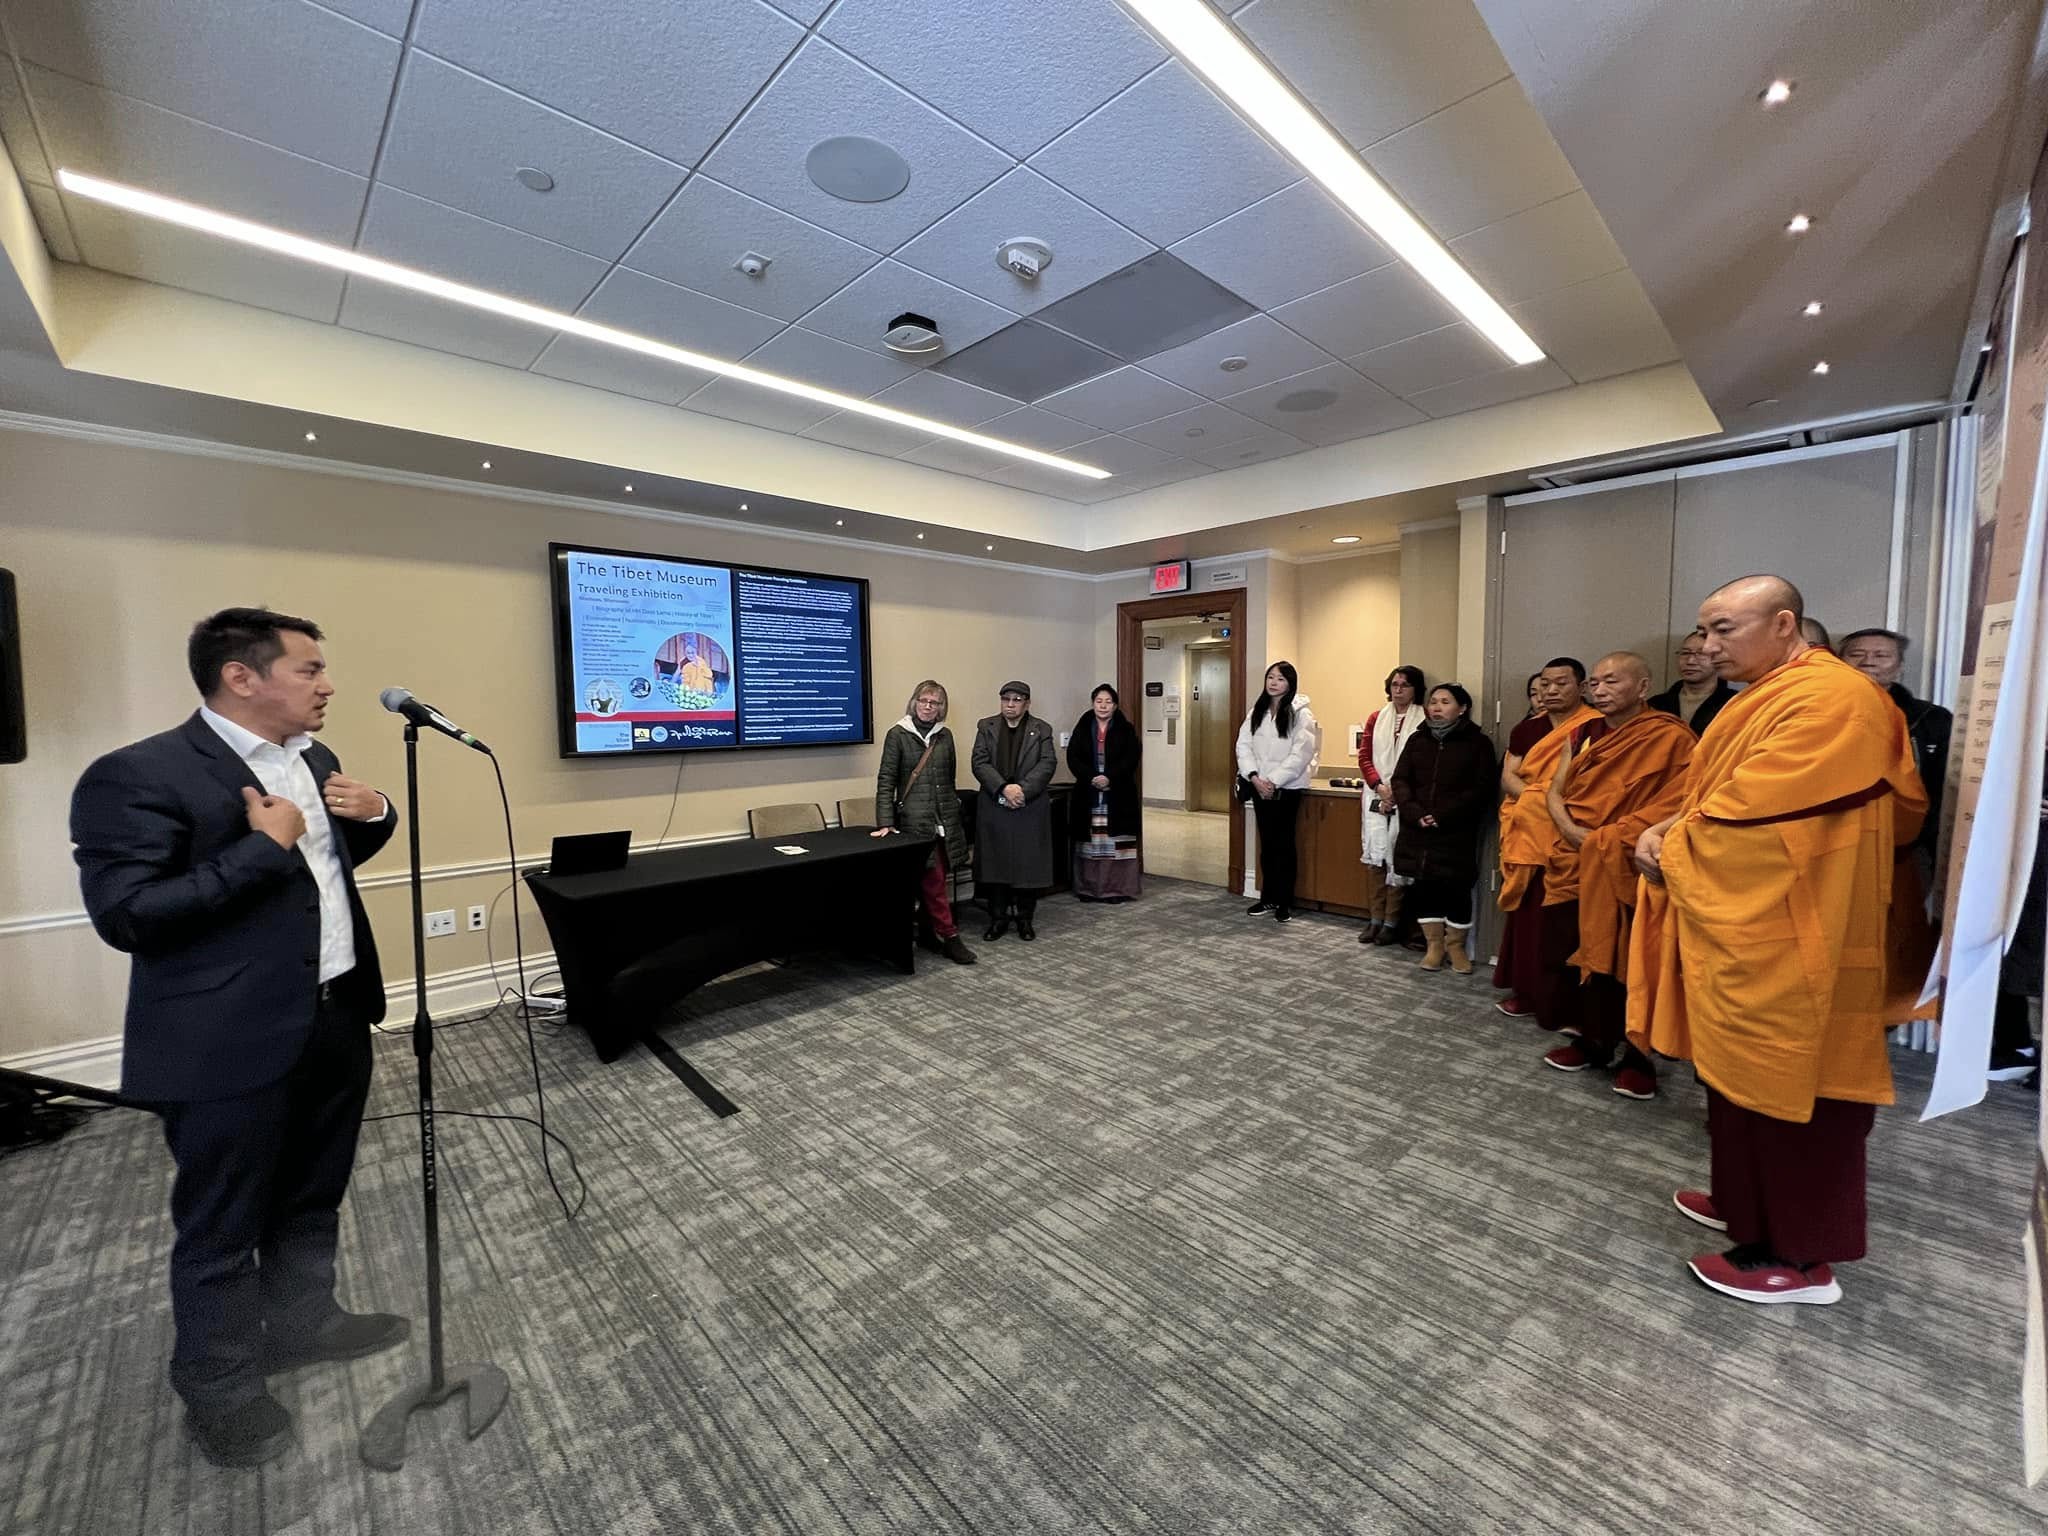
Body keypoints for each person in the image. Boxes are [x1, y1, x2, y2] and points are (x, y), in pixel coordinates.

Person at [68, 608, 409, 1467]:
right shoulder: (137, 774)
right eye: (310, 669)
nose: (328, 685)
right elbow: (129, 916)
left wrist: (376, 815)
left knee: (312, 1193)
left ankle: (303, 1323)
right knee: (223, 1221)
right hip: (223, 1039)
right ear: (241, 677)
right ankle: (218, 1386)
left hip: (334, 1015)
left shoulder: (315, 760)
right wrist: (262, 849)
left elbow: (317, 881)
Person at [1629, 575, 1926, 1306]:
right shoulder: (1763, 695)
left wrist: (1670, 847)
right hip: (1758, 928)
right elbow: (1721, 799)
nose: (1706, 647)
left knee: (1799, 1085)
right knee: (1740, 1078)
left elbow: (1760, 819)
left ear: (1784, 624)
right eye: (1704, 631)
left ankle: (1798, 1257)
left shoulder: (1836, 699)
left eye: (1723, 629)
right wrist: (1670, 828)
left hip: (1807, 930)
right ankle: (1746, 1201)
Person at [1533, 652, 1696, 1098]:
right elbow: (1555, 790)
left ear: (1642, 687)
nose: (1599, 690)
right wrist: (1573, 832)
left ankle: (1640, 1057)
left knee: (1636, 960)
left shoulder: (1671, 738)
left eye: (1611, 681)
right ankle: (1595, 1041)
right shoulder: (1583, 733)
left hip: (1631, 863)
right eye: (1595, 683)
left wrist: (1608, 839)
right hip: (1577, 858)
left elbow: (1682, 802)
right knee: (1583, 952)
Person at [1494, 659, 1598, 1017]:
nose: (1551, 691)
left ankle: (1566, 1003)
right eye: (1545, 684)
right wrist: (1541, 803)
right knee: (1528, 918)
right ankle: (1526, 991)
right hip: (1530, 833)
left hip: (1571, 833)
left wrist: (1553, 807)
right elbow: (1508, 777)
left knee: (1565, 921)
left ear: (1581, 687)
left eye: (1561, 683)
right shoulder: (1528, 729)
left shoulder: (1597, 727)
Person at [1389, 684, 1498, 972]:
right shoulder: (1417, 740)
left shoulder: (1478, 743)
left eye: (1445, 702)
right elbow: (1400, 780)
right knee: (1425, 888)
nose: (1436, 707)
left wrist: (1442, 815)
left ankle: (1456, 947)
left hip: (1455, 830)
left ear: (1462, 708)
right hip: (1418, 830)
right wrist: (1415, 813)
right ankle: (1434, 946)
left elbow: (1482, 788)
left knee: (1457, 889)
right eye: (1433, 702)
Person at [872, 680, 975, 965]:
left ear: (942, 707)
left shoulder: (945, 736)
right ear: (914, 702)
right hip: (915, 822)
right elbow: (886, 781)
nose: (928, 707)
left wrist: (953, 811)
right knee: (933, 881)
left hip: (945, 820)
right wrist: (885, 821)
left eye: (935, 702)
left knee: (936, 877)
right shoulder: (897, 734)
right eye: (924, 701)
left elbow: (949, 779)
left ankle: (928, 932)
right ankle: (950, 936)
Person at [1839, 627, 1951, 858]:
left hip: (1910, 842)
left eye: (1881, 655)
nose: (1868, 662)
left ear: (1900, 667)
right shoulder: (1817, 712)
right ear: (1838, 663)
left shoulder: (1932, 718)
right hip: (1840, 835)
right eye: (1856, 654)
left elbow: (1944, 788)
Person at [971, 681, 1057, 940]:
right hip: (995, 803)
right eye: (1006, 699)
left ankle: (1025, 919)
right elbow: (979, 762)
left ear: (1027, 704)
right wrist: (1003, 788)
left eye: (1017, 700)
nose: (1010, 704)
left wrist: (1021, 790)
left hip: (1028, 805)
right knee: (996, 865)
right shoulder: (986, 726)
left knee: (1027, 867)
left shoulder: (1041, 729)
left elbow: (1047, 763)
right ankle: (998, 919)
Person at [1235, 661, 1320, 923]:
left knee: (1284, 846)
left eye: (1280, 679)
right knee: (1268, 845)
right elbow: (1243, 745)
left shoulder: (1301, 714)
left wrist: (1272, 781)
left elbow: (1301, 753)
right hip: (1259, 788)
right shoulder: (1257, 711)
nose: (1274, 682)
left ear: (1290, 684)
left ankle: (1285, 901)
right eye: (1270, 677)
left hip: (1286, 789)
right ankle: (1268, 897)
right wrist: (1254, 777)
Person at [1357, 666, 1425, 945]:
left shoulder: (1423, 719)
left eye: (1405, 685)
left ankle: (1391, 924)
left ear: (1415, 689)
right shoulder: (1377, 718)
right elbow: (1364, 757)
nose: (1398, 690)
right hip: (1377, 794)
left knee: (1397, 859)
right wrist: (1380, 788)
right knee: (1376, 858)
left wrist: (1397, 793)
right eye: (1395, 684)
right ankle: (1374, 920)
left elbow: (1421, 763)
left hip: (1406, 797)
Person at [1067, 683, 1142, 901]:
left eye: (1108, 702)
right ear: (1093, 704)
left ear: (1115, 705)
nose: (1103, 705)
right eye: (1099, 701)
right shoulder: (1083, 726)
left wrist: (1110, 777)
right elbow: (1073, 757)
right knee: (1091, 844)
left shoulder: (1126, 728)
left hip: (1118, 793)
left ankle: (1117, 890)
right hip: (1088, 792)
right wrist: (1091, 777)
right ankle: (1088, 889)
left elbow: (1131, 757)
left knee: (1115, 844)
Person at [1649, 629, 1736, 736]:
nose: (1690, 661)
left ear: (1719, 659)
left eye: (1701, 653)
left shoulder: (1734, 703)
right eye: (1685, 653)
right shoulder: (1655, 705)